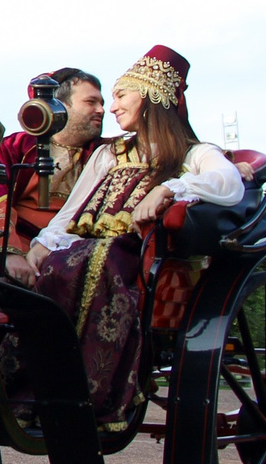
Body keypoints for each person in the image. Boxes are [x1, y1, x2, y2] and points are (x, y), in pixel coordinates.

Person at [25, 46, 245, 424]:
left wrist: (170, 188)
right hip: (88, 248)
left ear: (150, 96)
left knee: (99, 263)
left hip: (140, 257)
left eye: (119, 96)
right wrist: (41, 246)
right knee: (56, 270)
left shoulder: (192, 154)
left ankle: (89, 394)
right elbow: (72, 211)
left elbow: (227, 182)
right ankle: (34, 387)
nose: (112, 108)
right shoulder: (108, 154)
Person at [0, 66, 102, 272]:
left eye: (102, 103)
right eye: (91, 102)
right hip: (16, 242)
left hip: (72, 248)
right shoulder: (17, 147)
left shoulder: (104, 154)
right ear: (61, 105)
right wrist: (9, 253)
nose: (101, 110)